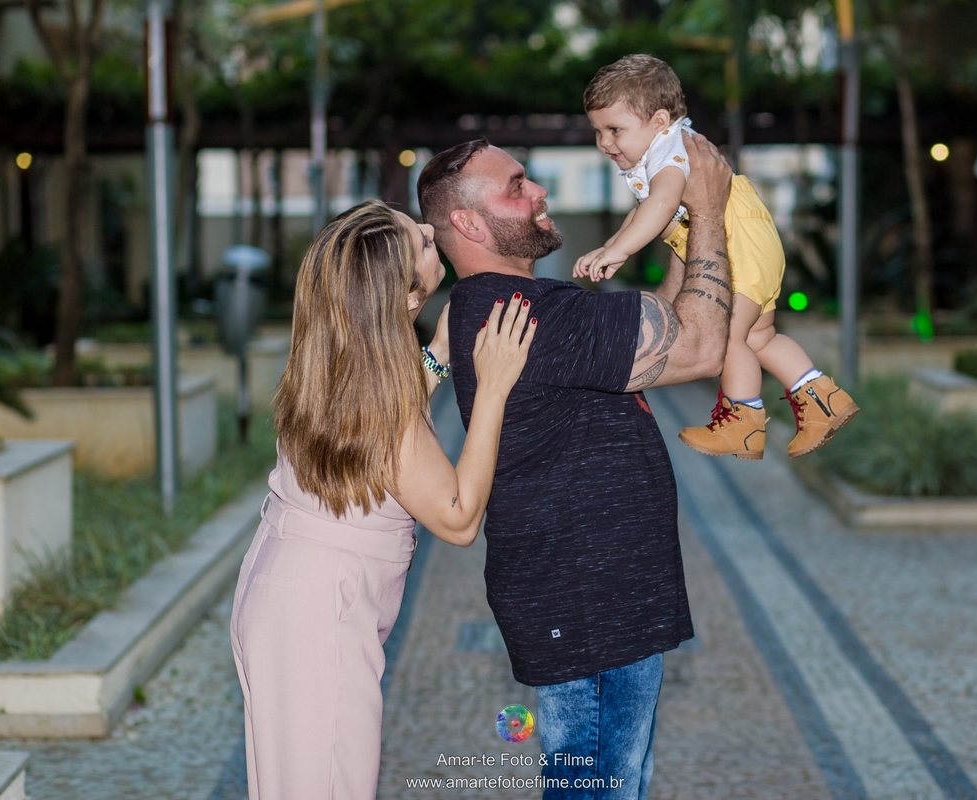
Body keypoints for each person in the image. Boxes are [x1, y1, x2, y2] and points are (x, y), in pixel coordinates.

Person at [416, 132, 732, 800]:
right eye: (517, 185)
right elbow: (701, 347)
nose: (539, 192)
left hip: (602, 605)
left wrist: (675, 225)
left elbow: (672, 325)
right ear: (469, 223)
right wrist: (706, 211)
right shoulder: (527, 316)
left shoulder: (530, 308)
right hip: (591, 609)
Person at [229, 199, 536, 800]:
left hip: (287, 594)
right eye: (421, 242)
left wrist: (438, 355)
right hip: (319, 614)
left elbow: (376, 430)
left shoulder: (337, 357)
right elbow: (457, 515)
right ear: (400, 297)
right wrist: (495, 383)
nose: (431, 230)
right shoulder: (376, 392)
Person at [575, 54, 858, 460]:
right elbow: (644, 209)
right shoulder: (665, 151)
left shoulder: (670, 154)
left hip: (737, 250)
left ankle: (743, 423)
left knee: (726, 337)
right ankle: (822, 400)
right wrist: (613, 246)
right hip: (752, 247)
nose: (605, 142)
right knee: (759, 337)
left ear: (658, 121)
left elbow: (660, 204)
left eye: (614, 129)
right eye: (597, 131)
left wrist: (619, 248)